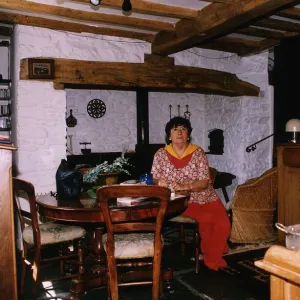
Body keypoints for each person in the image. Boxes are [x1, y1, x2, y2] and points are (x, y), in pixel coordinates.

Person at [151, 116, 231, 271]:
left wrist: (184, 185)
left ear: (188, 134)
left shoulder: (198, 152)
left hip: (207, 196)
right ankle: (212, 260)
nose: (179, 133)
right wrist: (159, 182)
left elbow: (204, 181)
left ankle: (216, 248)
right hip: (182, 200)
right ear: (169, 135)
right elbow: (155, 177)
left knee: (224, 224)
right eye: (175, 129)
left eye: (183, 129)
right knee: (208, 222)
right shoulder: (160, 154)